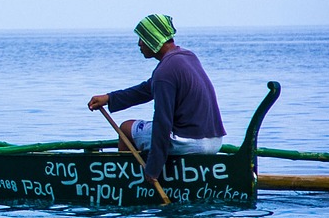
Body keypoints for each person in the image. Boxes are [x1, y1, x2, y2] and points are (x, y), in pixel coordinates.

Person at [88, 14, 226, 184]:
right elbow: (147, 89)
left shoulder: (165, 71)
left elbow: (162, 122)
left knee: (125, 128)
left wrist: (153, 169)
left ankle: (126, 184)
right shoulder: (187, 57)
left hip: (190, 142)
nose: (139, 44)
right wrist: (110, 98)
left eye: (142, 38)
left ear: (153, 39)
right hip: (215, 140)